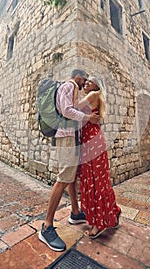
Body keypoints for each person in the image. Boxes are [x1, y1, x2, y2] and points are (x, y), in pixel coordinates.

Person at [39, 69, 100, 251]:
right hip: (66, 137)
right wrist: (89, 117)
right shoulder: (68, 85)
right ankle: (47, 227)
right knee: (64, 178)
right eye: (85, 79)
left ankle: (75, 212)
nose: (85, 83)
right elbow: (66, 111)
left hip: (70, 137)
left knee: (71, 177)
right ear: (78, 77)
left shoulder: (70, 88)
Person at [76, 76, 121, 239]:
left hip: (91, 142)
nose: (87, 83)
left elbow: (74, 107)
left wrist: (72, 87)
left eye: (91, 81)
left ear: (97, 86)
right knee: (99, 180)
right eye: (86, 81)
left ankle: (98, 223)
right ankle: (113, 213)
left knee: (94, 180)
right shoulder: (96, 97)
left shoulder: (93, 95)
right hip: (92, 139)